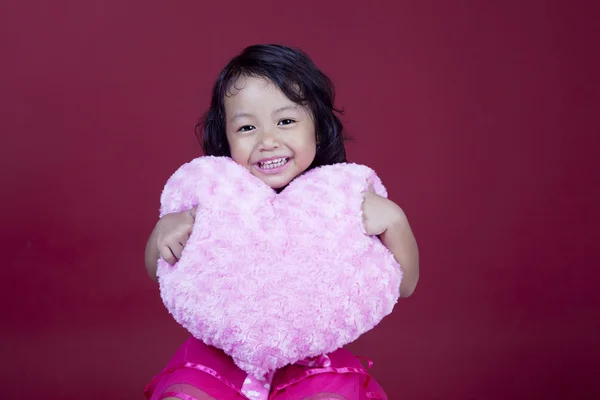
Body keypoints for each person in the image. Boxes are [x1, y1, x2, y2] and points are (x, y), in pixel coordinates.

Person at [144, 44, 419, 400]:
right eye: (246, 127)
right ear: (225, 138)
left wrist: (395, 220)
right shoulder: (211, 200)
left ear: (318, 129)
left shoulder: (343, 200)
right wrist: (161, 234)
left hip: (313, 357)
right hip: (220, 358)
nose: (268, 141)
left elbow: (405, 284)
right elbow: (162, 272)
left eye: (285, 121)